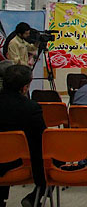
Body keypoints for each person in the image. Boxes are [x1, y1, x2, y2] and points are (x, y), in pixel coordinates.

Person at [0, 65, 46, 207]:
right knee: (48, 155)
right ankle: (34, 197)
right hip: (22, 164)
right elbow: (42, 138)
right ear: (25, 88)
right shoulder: (31, 108)